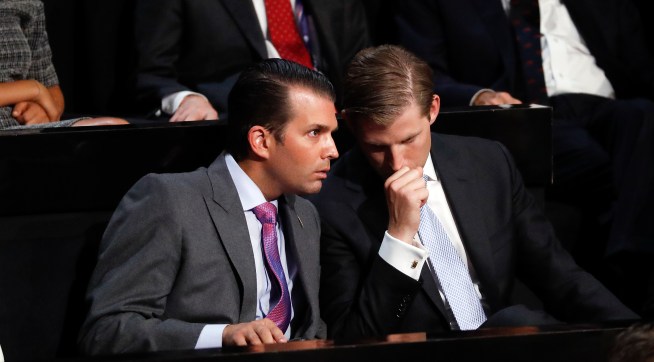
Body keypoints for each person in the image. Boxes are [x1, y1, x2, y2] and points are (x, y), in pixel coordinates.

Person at [311, 45, 638, 341]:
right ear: (350, 125)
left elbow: (560, 277)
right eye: (377, 147)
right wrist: (399, 237)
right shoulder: (330, 204)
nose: (397, 163)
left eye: (409, 140)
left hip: (500, 342)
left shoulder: (489, 163)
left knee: (520, 321)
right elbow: (355, 337)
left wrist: (639, 335)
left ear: (433, 110)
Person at [394, 0, 654, 316]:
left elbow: (636, 63)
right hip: (534, 114)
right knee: (593, 155)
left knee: (643, 117)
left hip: (607, 106)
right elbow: (420, 74)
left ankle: (628, 253)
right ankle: (634, 267)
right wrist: (479, 95)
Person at [78, 59, 339, 354]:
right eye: (315, 133)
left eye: (331, 133)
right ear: (260, 141)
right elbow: (105, 332)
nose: (333, 150)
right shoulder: (171, 200)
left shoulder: (305, 215)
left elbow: (310, 329)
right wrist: (222, 336)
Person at [134, 0, 369, 122]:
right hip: (236, 141)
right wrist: (188, 99)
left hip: (335, 138)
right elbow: (151, 75)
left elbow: (362, 73)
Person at [0, 0, 127, 129]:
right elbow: (40, 90)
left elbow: (50, 88)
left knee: (114, 129)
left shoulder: (25, 4)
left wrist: (41, 110)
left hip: (17, 126)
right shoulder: (34, 89)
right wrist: (32, 90)